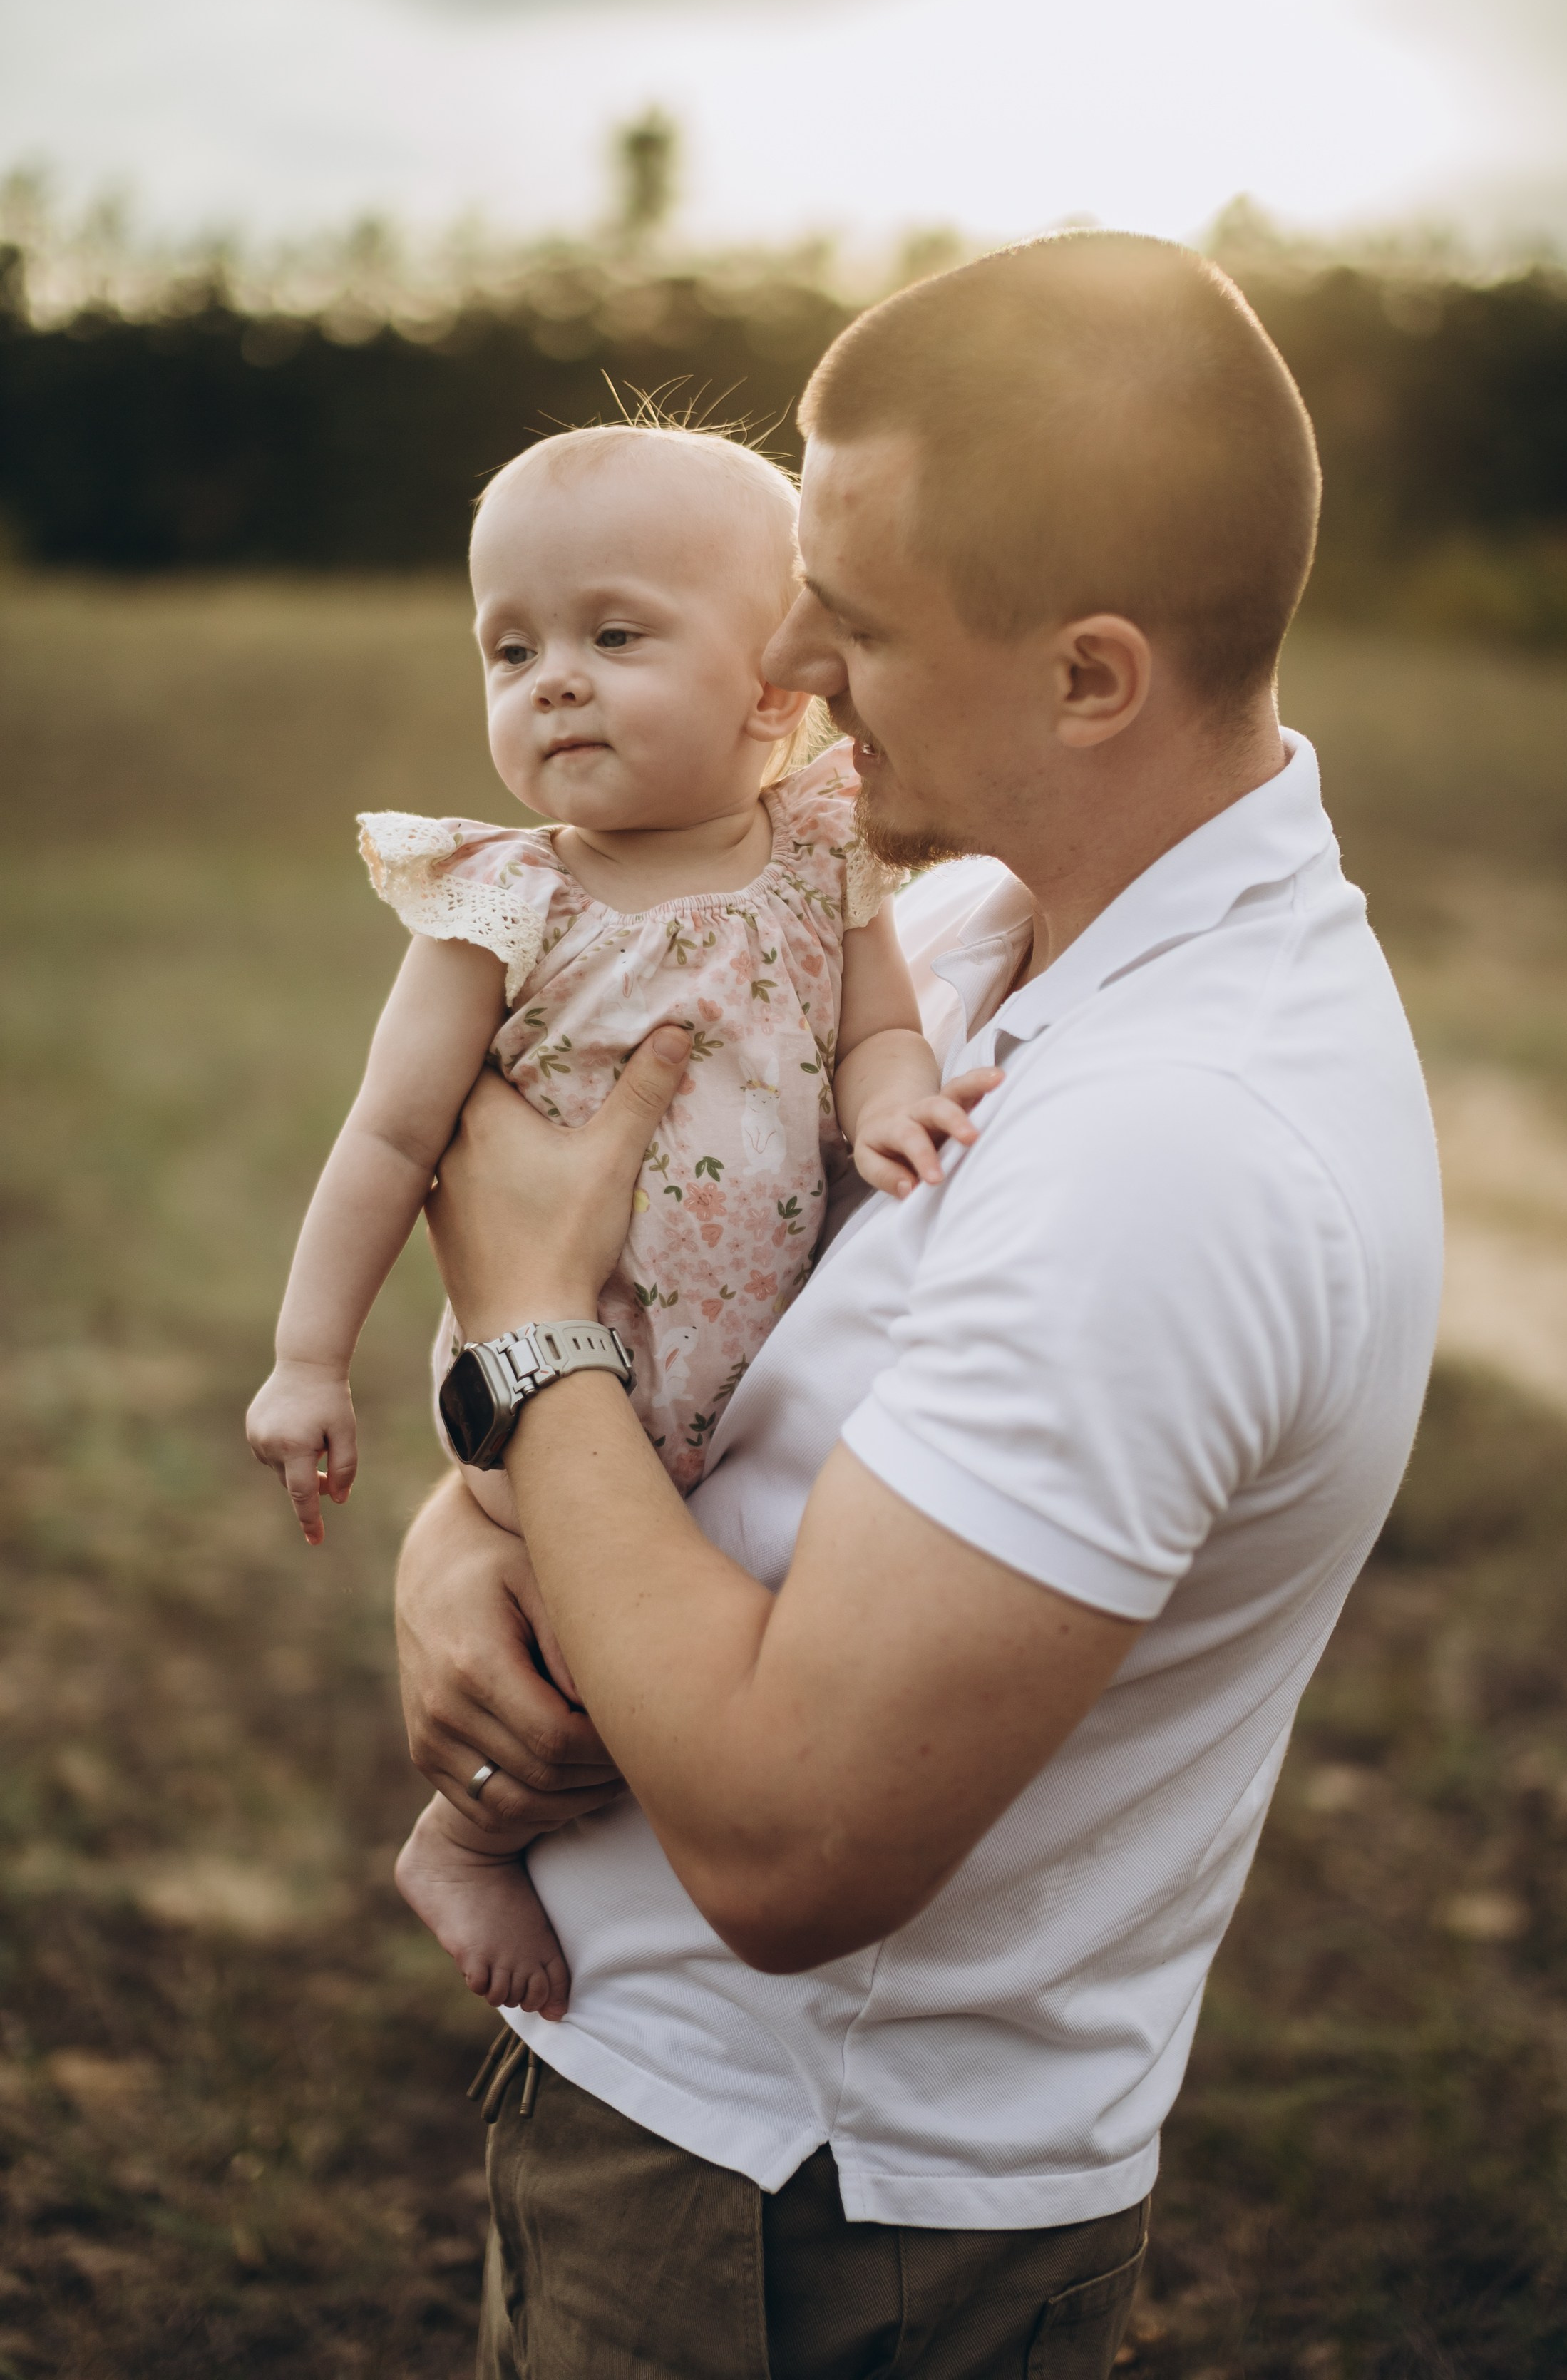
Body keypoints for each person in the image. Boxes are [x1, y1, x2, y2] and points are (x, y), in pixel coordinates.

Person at [396, 232, 1444, 2379]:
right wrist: (461, 1523)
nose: (778, 653)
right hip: (698, 2133)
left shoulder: (1183, 1147)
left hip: (814, 2228)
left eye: (849, 617)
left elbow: (793, 1838)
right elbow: (715, 1359)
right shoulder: (976, 927)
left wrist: (524, 1343)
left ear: (1092, 675)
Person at [245, 423, 996, 2024]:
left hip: (754, 1380)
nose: (553, 681)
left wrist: (886, 1102)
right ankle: (463, 1843)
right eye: (510, 649)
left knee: (739, 1638)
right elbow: (389, 1139)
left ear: (773, 690)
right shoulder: (504, 905)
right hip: (569, 1384)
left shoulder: (823, 854)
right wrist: (310, 1362)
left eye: (614, 634)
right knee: (562, 1653)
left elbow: (878, 1030)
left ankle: (668, 1882)